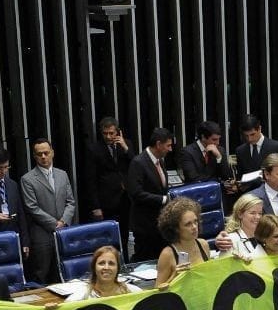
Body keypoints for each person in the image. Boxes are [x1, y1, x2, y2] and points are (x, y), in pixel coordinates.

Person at [21, 138, 77, 284]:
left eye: (46, 153)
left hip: (64, 232)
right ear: (34, 156)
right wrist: (55, 224)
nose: (43, 157)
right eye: (39, 154)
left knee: (66, 273)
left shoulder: (62, 174)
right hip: (42, 235)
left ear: (52, 152)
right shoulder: (27, 179)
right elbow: (32, 207)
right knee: (42, 274)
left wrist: (63, 221)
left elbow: (70, 202)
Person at [81, 117, 135, 246]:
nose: (108, 136)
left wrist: (126, 148)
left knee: (125, 236)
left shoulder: (126, 144)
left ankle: (125, 258)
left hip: (126, 199)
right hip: (106, 202)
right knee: (109, 238)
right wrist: (96, 207)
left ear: (118, 132)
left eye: (111, 133)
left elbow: (135, 165)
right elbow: (90, 180)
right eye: (105, 133)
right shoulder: (94, 149)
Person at [128, 127, 176, 261]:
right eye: (168, 145)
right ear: (159, 144)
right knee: (146, 261)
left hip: (160, 224)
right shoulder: (138, 162)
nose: (170, 149)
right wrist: (164, 199)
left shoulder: (160, 161)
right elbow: (136, 193)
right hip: (145, 226)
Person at [155, 198, 210, 287]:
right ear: (176, 229)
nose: (194, 227)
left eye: (195, 221)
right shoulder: (167, 254)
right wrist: (174, 277)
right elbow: (157, 290)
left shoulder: (203, 244)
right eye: (188, 224)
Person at [65, 245, 142, 301]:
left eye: (111, 263)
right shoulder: (82, 295)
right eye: (101, 263)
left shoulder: (132, 291)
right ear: (94, 267)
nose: (106, 267)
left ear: (118, 268)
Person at [233, 114, 278, 193]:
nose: (250, 139)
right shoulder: (240, 151)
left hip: (272, 193)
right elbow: (240, 176)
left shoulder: (276, 147)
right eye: (246, 136)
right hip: (250, 195)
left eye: (252, 134)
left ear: (259, 129)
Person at [178, 120, 234, 188]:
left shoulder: (220, 150)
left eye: (219, 139)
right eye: (214, 139)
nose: (218, 143)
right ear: (203, 137)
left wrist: (219, 157)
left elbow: (228, 177)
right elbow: (194, 180)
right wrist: (219, 181)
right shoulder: (187, 152)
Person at [221, 194, 265, 259]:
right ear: (240, 214)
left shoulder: (265, 237)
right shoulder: (230, 240)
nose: (257, 217)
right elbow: (224, 264)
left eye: (260, 213)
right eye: (252, 213)